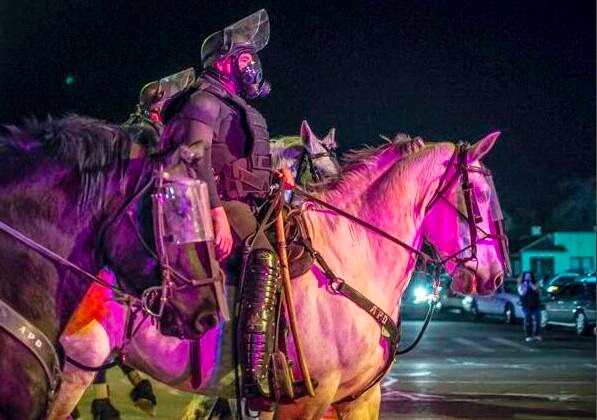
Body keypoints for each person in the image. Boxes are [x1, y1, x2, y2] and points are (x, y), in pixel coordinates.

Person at [160, 9, 294, 405]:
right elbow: (195, 156)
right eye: (246, 57)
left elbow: (238, 160)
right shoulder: (204, 100)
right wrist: (216, 212)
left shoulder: (231, 104)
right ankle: (253, 373)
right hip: (219, 203)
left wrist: (274, 177)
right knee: (265, 259)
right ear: (224, 62)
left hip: (249, 203)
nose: (253, 65)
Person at [517, 271, 542, 342]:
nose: (528, 277)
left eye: (529, 276)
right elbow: (522, 293)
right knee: (528, 320)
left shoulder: (535, 283)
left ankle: (537, 335)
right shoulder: (521, 284)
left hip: (536, 304)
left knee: (537, 320)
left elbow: (537, 290)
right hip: (526, 305)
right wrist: (525, 285)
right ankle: (529, 335)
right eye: (527, 276)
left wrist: (531, 284)